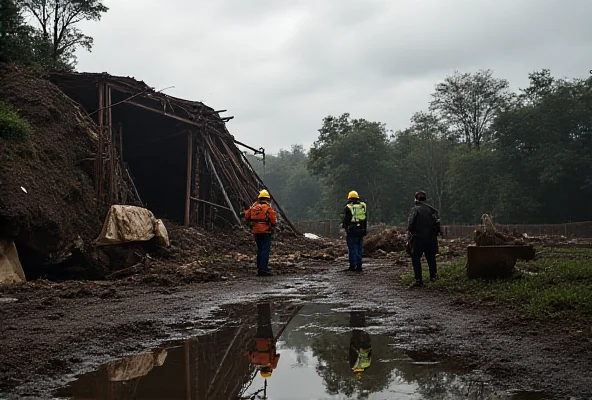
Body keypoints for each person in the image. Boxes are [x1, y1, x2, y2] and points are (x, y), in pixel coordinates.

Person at [407, 190, 442, 287]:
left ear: (416, 199)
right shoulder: (433, 210)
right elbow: (438, 226)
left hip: (418, 238)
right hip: (431, 238)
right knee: (431, 258)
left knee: (415, 258)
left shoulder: (415, 210)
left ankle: (418, 280)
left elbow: (410, 225)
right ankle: (434, 277)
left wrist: (411, 236)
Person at [244, 189, 277, 277]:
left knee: (259, 249)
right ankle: (263, 269)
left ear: (259, 198)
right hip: (266, 231)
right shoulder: (268, 208)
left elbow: (246, 216)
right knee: (265, 250)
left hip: (256, 231)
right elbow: (273, 221)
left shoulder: (254, 208)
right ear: (267, 199)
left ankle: (260, 267)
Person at [247, 303, 280, 379]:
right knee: (260, 324)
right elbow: (249, 353)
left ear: (269, 370)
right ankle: (259, 306)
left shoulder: (272, 365)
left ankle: (265, 305)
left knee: (266, 322)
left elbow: (278, 356)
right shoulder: (254, 363)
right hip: (257, 339)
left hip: (268, 340)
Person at [342, 190, 368, 272]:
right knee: (359, 248)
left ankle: (352, 266)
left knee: (352, 248)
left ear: (349, 198)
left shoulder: (348, 207)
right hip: (361, 230)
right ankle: (359, 266)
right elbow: (365, 219)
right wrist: (364, 230)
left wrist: (345, 228)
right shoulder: (362, 206)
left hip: (352, 231)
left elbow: (346, 220)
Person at [349, 311, 372, 379]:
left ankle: (361, 313)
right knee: (356, 328)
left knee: (362, 327)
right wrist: (351, 344)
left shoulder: (365, 367)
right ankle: (355, 313)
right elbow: (351, 354)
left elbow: (370, 356)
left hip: (366, 346)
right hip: (357, 346)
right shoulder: (353, 367)